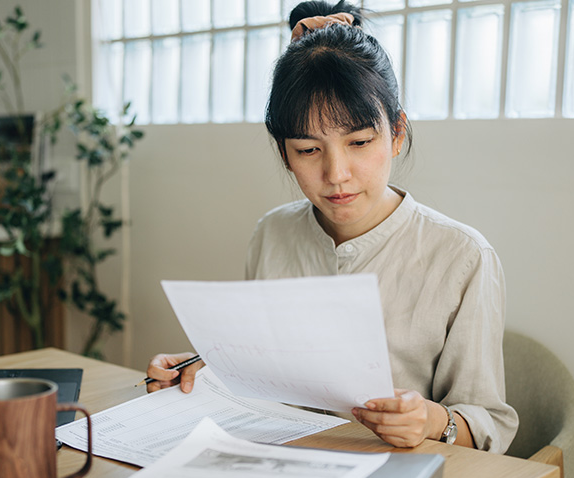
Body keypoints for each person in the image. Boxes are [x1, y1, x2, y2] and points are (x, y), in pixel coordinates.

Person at [147, 0, 518, 454]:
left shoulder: (461, 256)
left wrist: (430, 421)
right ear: (284, 153)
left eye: (359, 142)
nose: (336, 173)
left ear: (397, 133)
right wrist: (198, 371)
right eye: (307, 150)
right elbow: (257, 377)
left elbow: (490, 425)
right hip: (277, 467)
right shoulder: (272, 235)